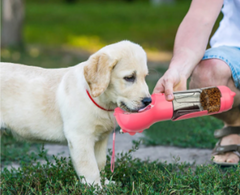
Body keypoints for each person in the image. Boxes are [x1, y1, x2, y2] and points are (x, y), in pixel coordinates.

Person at [153, 0, 240, 166]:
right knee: (208, 79)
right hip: (235, 46)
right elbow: (200, 16)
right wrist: (179, 69)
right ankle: (236, 123)